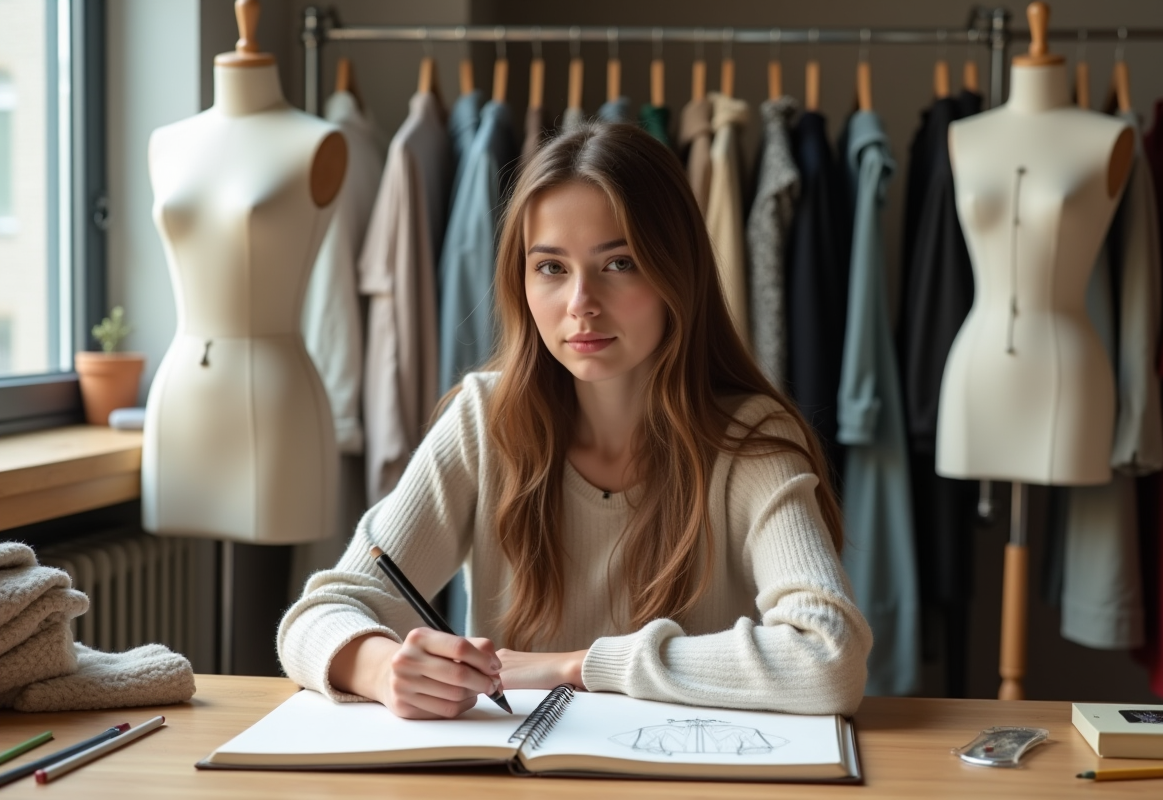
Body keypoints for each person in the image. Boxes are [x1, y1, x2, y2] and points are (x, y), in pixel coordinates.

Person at [277, 122, 872, 720]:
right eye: (552, 268)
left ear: (677, 274)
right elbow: (317, 615)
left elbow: (829, 657)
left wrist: (575, 666)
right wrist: (384, 669)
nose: (580, 302)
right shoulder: (484, 420)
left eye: (619, 263)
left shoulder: (749, 440)